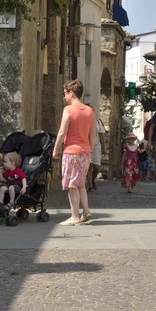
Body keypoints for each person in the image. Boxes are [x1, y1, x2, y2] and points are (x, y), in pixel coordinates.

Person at [53, 79, 96, 226]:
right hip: (85, 151)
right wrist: (89, 150)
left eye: (65, 93)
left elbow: (61, 132)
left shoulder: (68, 110)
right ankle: (86, 211)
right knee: (80, 183)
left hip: (71, 151)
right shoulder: (90, 111)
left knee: (72, 184)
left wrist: (56, 148)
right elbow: (93, 135)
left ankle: (74, 216)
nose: (64, 96)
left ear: (71, 93)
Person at [87, 108, 106, 191]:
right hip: (86, 145)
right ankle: (90, 186)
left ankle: (92, 180)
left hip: (96, 145)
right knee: (89, 166)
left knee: (96, 166)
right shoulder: (84, 120)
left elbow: (102, 134)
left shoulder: (98, 121)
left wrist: (104, 147)